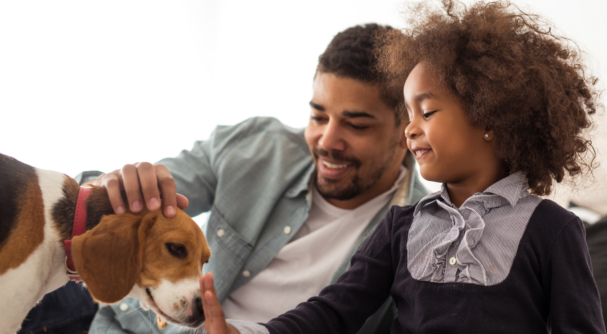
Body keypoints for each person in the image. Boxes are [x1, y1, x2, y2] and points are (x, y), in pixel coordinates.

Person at [197, 0, 606, 334]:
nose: (408, 130)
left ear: (489, 118)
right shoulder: (400, 226)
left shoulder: (553, 230)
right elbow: (334, 311)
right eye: (406, 115)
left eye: (425, 113)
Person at [19, 23, 428, 334]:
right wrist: (111, 186)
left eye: (356, 125)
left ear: (406, 130)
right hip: (119, 315)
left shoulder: (423, 236)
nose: (327, 141)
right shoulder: (256, 146)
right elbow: (105, 207)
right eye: (318, 116)